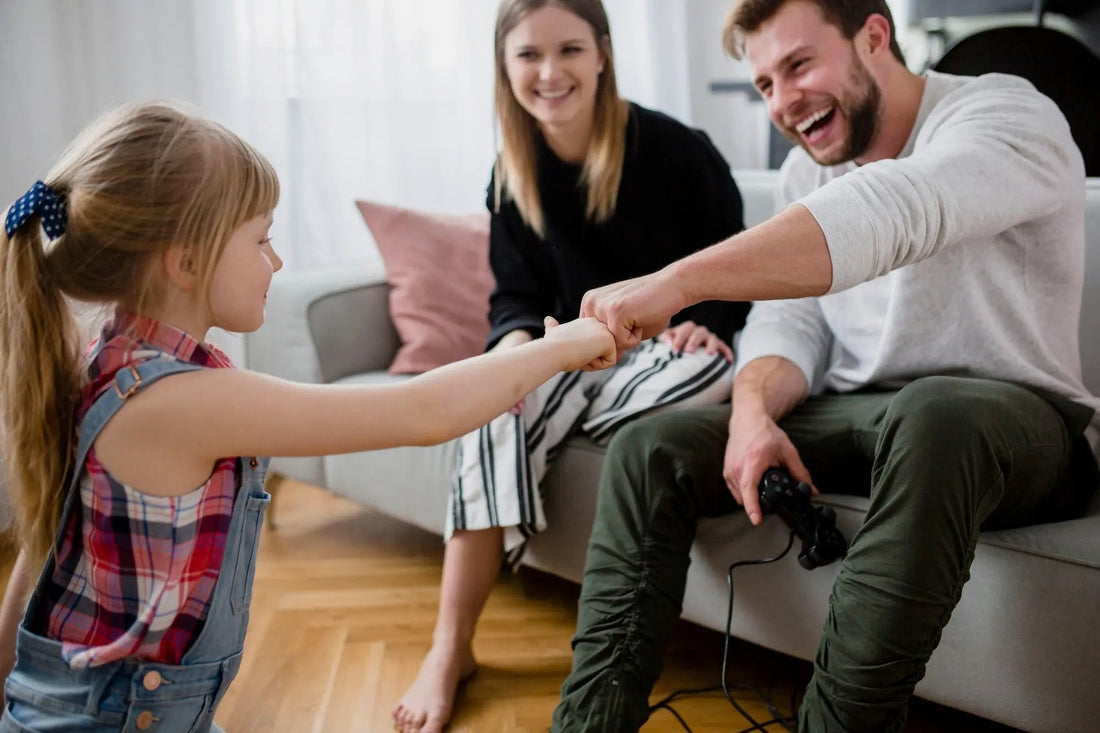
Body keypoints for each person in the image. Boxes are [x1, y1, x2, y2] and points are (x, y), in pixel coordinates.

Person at [551, 0, 1100, 731]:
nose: (783, 101)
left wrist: (681, 281)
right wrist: (750, 418)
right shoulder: (807, 174)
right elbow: (791, 324)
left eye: (799, 64)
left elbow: (900, 209)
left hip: (1015, 425)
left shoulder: (1005, 114)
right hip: (864, 414)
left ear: (874, 37)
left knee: (935, 411)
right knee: (652, 446)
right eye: (766, 85)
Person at [0, 100, 617, 732]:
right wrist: (557, 348)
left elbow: (38, 561)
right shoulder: (179, 401)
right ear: (185, 262)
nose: (277, 261)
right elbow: (423, 410)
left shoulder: (108, 363)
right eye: (261, 238)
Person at [393, 1, 752, 731]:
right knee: (490, 409)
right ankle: (449, 646)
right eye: (528, 55)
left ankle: (544, 441)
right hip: (569, 350)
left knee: (686, 384)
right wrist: (513, 354)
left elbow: (739, 267)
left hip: (671, 354)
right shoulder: (509, 175)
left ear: (603, 54)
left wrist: (706, 324)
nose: (549, 72)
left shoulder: (679, 150)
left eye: (568, 50)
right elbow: (515, 300)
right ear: (505, 66)